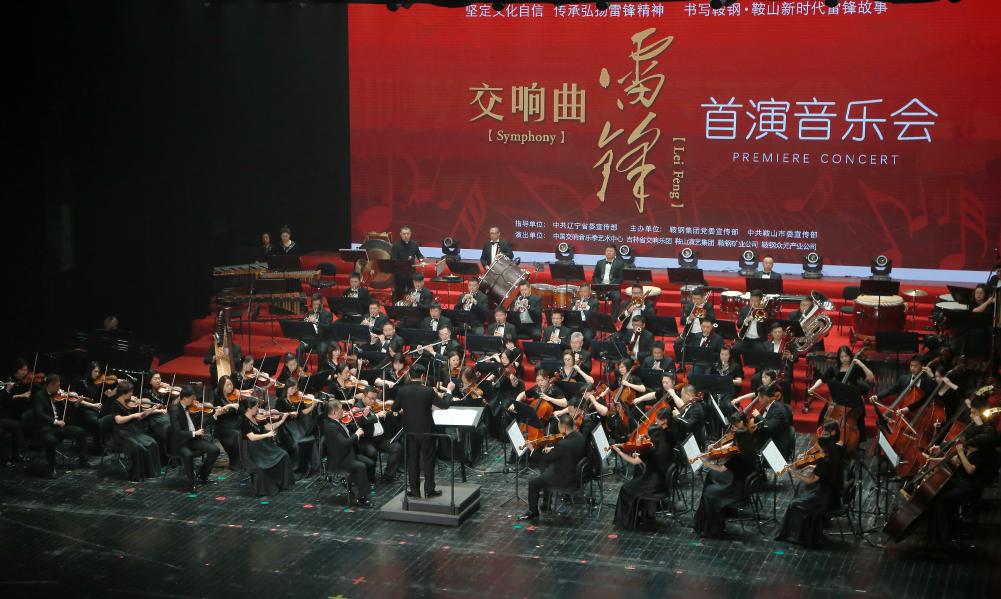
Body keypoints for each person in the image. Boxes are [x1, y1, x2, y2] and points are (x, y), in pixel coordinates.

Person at [926, 394, 999, 546]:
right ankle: (942, 532)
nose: (970, 416)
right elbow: (958, 457)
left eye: (973, 412)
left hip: (971, 482)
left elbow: (969, 467)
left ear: (979, 413)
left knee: (942, 499)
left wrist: (960, 451)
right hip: (962, 477)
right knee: (938, 495)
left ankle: (944, 536)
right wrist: (939, 455)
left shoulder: (985, 438)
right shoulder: (976, 434)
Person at [775, 420, 845, 548]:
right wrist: (810, 465)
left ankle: (795, 535)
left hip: (825, 498)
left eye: (819, 447)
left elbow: (811, 480)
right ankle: (807, 527)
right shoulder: (834, 452)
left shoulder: (824, 461)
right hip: (832, 492)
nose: (817, 449)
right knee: (802, 488)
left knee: (794, 503)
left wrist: (795, 473)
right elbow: (824, 472)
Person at [693, 411, 758, 538]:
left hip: (737, 488)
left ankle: (712, 528)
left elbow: (721, 469)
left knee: (709, 493)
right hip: (740, 479)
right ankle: (702, 520)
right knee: (711, 476)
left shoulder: (738, 457)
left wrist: (706, 463)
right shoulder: (749, 448)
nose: (734, 443)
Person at [612, 407, 680, 529]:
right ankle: (645, 514)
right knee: (634, 482)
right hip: (662, 481)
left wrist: (619, 452)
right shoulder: (665, 445)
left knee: (625, 489)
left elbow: (633, 461)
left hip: (652, 483)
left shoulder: (651, 450)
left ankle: (628, 521)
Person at [393, 369, 454, 498]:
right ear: (422, 376)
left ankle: (415, 491)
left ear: (410, 375)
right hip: (426, 431)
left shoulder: (402, 391)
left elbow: (394, 408)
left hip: (409, 431)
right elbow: (444, 405)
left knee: (412, 461)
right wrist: (449, 391)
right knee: (428, 460)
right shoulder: (428, 391)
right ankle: (429, 490)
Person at [520, 414, 587, 522]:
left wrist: (532, 449)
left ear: (564, 427)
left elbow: (546, 458)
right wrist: (553, 450)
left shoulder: (563, 444)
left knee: (533, 482)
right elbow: (567, 451)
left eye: (559, 426)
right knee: (546, 473)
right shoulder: (579, 436)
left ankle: (533, 512)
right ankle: (546, 503)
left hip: (565, 479)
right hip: (575, 473)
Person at [31, 374, 91, 477]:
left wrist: (76, 404)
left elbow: (67, 413)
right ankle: (52, 468)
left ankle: (83, 461)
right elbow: (39, 414)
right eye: (57, 386)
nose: (60, 388)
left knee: (80, 432)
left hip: (60, 426)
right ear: (50, 385)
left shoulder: (58, 396)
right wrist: (55, 421)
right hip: (46, 427)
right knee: (50, 440)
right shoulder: (39, 396)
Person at [110, 380, 164, 482]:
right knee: (138, 447)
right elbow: (118, 420)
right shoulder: (115, 404)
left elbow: (140, 416)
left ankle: (150, 472)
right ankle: (137, 475)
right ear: (123, 393)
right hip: (121, 432)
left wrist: (152, 409)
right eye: (130, 392)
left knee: (153, 443)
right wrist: (133, 416)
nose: (132, 394)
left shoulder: (130, 403)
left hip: (133, 430)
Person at [169, 386, 221, 492]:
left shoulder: (192, 408)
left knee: (215, 450)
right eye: (192, 398)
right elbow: (177, 432)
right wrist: (194, 433)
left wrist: (215, 415)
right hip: (180, 442)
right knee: (188, 455)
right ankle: (192, 483)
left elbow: (203, 423)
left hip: (193, 440)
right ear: (185, 398)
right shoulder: (175, 410)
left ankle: (202, 474)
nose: (194, 401)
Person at [241, 396, 294, 496]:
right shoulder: (244, 421)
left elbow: (270, 427)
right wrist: (267, 435)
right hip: (251, 449)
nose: (258, 409)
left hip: (262, 445)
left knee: (284, 454)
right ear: (249, 409)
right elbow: (251, 437)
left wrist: (282, 420)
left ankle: (282, 483)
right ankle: (266, 489)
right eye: (256, 407)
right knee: (262, 467)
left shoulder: (257, 417)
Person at [323, 399, 373, 506]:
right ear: (334, 412)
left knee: (370, 463)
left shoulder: (336, 421)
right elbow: (345, 443)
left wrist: (360, 419)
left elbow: (348, 431)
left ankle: (350, 482)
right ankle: (362, 497)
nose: (344, 411)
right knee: (361, 467)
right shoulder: (330, 426)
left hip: (347, 453)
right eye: (341, 409)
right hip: (339, 459)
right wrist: (357, 435)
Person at [749, 383, 795, 461]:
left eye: (759, 397)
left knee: (748, 453)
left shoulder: (778, 410)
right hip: (770, 438)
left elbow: (768, 427)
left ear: (766, 398)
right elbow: (767, 422)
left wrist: (758, 416)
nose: (758, 400)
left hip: (777, 446)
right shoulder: (771, 406)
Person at [211, 375, 246, 469]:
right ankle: (238, 461)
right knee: (237, 434)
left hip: (234, 423)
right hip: (223, 426)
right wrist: (229, 406)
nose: (230, 387)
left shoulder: (234, 395)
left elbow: (242, 411)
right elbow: (218, 413)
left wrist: (240, 401)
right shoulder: (218, 398)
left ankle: (244, 458)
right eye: (227, 385)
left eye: (231, 384)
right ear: (222, 386)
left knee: (246, 426)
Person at [674, 287, 716, 361]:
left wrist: (703, 314)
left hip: (703, 334)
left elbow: (713, 320)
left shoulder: (708, 306)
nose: (695, 301)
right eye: (694, 299)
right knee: (677, 344)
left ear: (703, 298)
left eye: (698, 299)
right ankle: (681, 363)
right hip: (690, 333)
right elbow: (682, 320)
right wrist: (689, 318)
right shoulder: (688, 306)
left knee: (696, 346)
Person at [390, 225, 424, 300]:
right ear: (400, 234)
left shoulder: (414, 244)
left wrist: (421, 259)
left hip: (411, 274)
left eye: (407, 234)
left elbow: (419, 255)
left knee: (412, 292)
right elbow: (393, 259)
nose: (406, 235)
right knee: (399, 294)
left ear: (410, 234)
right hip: (400, 274)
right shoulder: (396, 245)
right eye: (404, 234)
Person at [591, 245, 625, 317]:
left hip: (613, 288)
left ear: (615, 253)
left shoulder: (620, 263)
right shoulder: (599, 262)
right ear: (605, 252)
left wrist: (610, 286)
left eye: (611, 251)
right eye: (607, 251)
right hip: (600, 287)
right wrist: (598, 285)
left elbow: (620, 278)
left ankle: (613, 319)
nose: (609, 253)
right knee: (592, 298)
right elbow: (595, 276)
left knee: (617, 297)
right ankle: (594, 318)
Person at [298, 293, 332, 363]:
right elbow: (304, 327)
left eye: (317, 304)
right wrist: (306, 323)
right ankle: (300, 368)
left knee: (322, 351)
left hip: (322, 339)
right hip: (311, 339)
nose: (315, 306)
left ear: (321, 304)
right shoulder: (309, 313)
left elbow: (328, 327)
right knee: (299, 348)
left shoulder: (327, 314)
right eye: (314, 304)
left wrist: (317, 322)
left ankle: (320, 369)